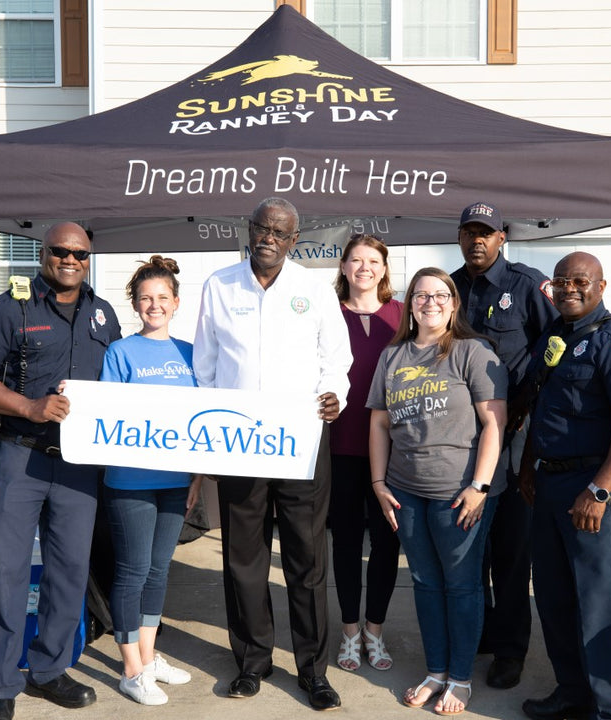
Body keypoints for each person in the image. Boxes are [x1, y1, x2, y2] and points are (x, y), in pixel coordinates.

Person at [0, 222, 121, 720]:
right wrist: (28, 407)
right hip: (20, 458)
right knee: (6, 573)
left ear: (89, 259)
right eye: (60, 251)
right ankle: (1, 686)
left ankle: (48, 671)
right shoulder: (11, 307)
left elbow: (119, 383)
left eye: (80, 253)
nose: (70, 260)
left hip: (78, 467)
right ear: (43, 252)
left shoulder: (102, 313)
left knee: (69, 573)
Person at [193, 197, 353, 711]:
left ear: (293, 240)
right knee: (244, 557)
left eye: (280, 233)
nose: (268, 238)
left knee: (307, 558)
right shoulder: (219, 285)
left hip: (300, 442)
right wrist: (211, 435)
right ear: (249, 229)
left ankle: (313, 671)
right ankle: (252, 662)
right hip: (239, 443)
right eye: (262, 228)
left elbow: (337, 359)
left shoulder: (314, 288)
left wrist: (335, 394)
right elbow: (205, 366)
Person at [518, 251, 611, 720]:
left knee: (599, 602)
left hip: (596, 486)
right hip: (550, 483)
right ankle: (573, 692)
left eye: (580, 281)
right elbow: (541, 408)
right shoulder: (554, 337)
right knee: (554, 595)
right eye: (561, 281)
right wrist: (528, 467)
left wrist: (599, 491)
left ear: (601, 287)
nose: (569, 289)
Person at [367, 267, 508, 717]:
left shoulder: (471, 351)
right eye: (421, 295)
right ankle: (436, 671)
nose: (430, 302)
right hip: (405, 491)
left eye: (440, 295)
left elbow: (494, 423)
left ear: (453, 304)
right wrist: (378, 483)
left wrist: (480, 486)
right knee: (426, 583)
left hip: (459, 493)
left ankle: (460, 678)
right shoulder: (393, 356)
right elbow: (379, 423)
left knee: (462, 585)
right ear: (409, 305)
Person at [449, 201, 557, 690]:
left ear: (502, 237)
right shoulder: (449, 288)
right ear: (459, 237)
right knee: (469, 544)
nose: (477, 240)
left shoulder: (527, 285)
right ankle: (484, 632)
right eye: (469, 232)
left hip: (514, 436)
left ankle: (511, 649)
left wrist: (528, 404)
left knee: (512, 550)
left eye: (486, 233)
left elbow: (555, 349)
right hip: (459, 437)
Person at [99, 256, 201, 706]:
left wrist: (198, 476)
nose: (154, 305)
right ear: (135, 305)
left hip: (176, 480)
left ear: (176, 302)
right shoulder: (120, 352)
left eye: (162, 297)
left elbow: (205, 422)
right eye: (146, 298)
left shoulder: (192, 353)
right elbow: (106, 415)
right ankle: (131, 670)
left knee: (159, 570)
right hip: (130, 481)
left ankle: (148, 654)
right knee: (133, 570)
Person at [328, 234, 403, 673]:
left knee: (387, 542)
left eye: (373, 261)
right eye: (356, 260)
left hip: (394, 452)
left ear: (384, 269)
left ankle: (375, 630)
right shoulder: (327, 314)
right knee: (345, 541)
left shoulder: (402, 315)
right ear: (343, 267)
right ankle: (350, 631)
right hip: (339, 446)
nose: (364, 268)